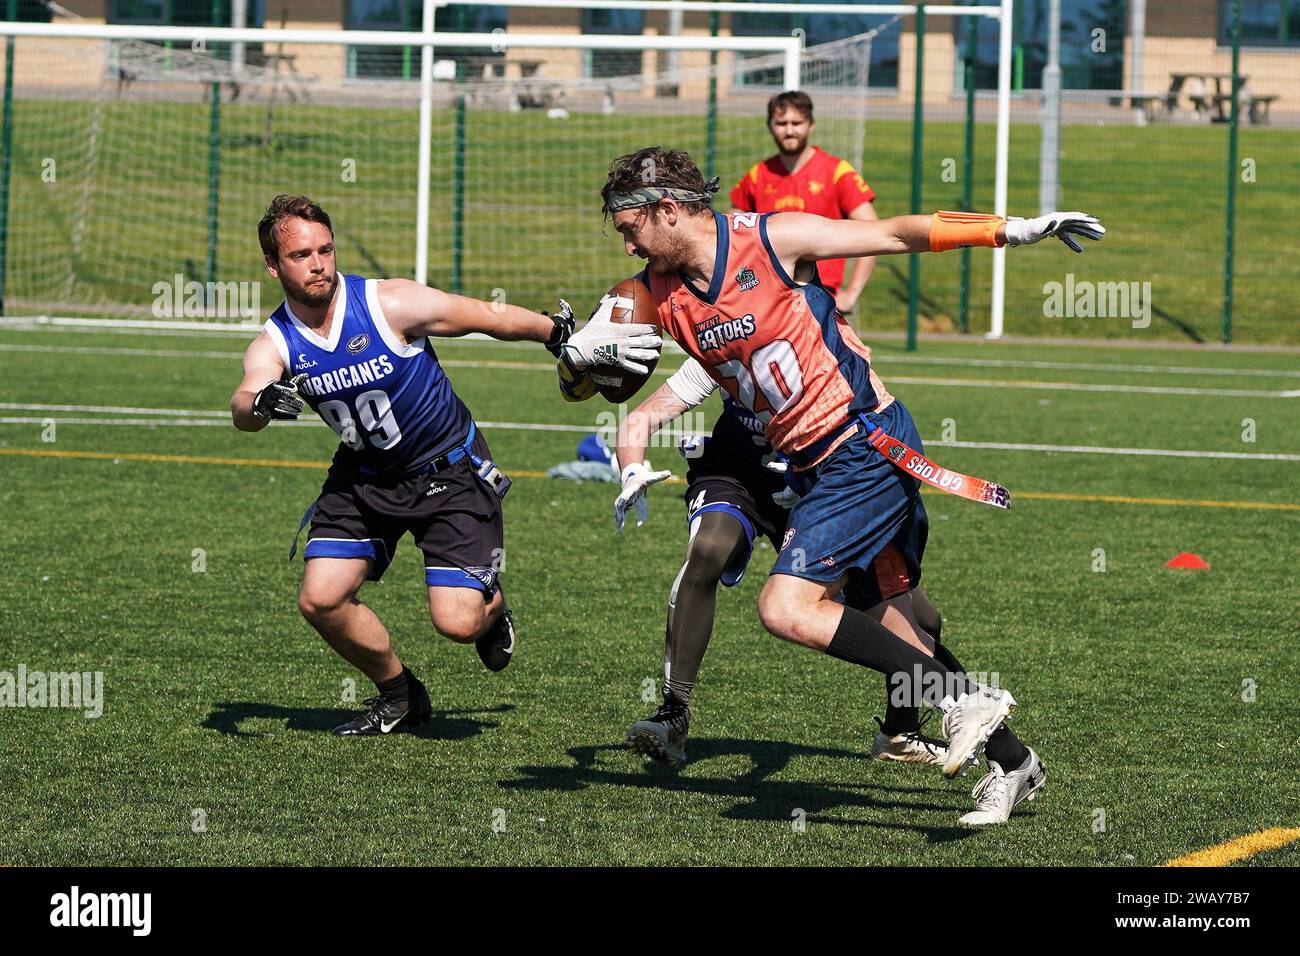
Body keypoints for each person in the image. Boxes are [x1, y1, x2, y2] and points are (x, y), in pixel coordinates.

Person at [590, 148, 1103, 823]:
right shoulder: (658, 291)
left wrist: (1010, 229)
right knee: (899, 621)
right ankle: (1013, 762)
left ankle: (958, 700)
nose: (624, 241)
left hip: (863, 445)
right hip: (816, 470)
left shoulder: (772, 239)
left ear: (668, 209)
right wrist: (578, 359)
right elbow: (596, 370)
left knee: (786, 608)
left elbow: (896, 232)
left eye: (630, 225)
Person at [230, 194, 658, 736]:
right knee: (320, 599)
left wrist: (558, 333)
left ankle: (493, 609)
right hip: (364, 478)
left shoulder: (387, 303)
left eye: (326, 249)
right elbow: (246, 397)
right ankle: (399, 693)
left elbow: (485, 315)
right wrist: (261, 402)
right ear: (274, 266)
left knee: (455, 624)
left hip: (448, 471)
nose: (318, 263)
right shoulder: (277, 340)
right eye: (301, 255)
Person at [729, 90, 879, 316]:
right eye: (781, 123)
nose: (789, 131)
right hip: (766, 298)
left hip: (819, 297)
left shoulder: (837, 171)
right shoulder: (758, 175)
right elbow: (731, 232)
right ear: (770, 126)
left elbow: (873, 232)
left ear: (811, 125)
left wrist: (851, 294)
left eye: (796, 122)